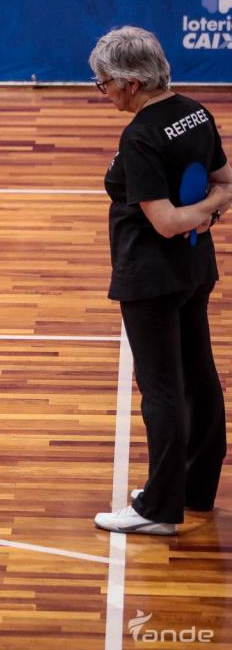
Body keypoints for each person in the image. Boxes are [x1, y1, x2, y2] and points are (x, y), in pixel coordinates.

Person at [89, 26, 232, 536]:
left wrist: (192, 216)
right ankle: (194, 489)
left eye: (104, 84)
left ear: (130, 82)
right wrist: (209, 213)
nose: (102, 93)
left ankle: (159, 509)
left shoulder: (143, 134)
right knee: (199, 377)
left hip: (152, 279)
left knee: (163, 391)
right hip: (195, 270)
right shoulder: (195, 112)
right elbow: (225, 183)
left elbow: (166, 222)